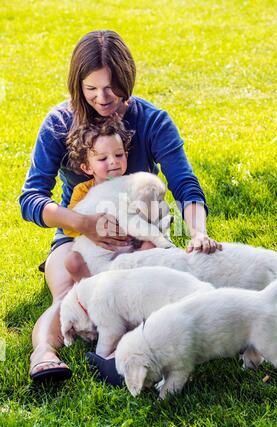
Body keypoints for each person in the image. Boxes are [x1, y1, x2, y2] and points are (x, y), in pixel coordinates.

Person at [19, 30, 222, 383]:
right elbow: (31, 199)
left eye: (111, 88)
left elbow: (186, 187)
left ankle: (138, 356)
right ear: (77, 85)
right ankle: (45, 354)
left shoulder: (152, 121)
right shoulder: (59, 124)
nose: (102, 98)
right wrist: (83, 223)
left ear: (126, 78)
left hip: (138, 238)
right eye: (91, 89)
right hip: (78, 238)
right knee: (71, 296)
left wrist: (198, 232)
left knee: (154, 294)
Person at [62, 114, 144, 283]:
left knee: (149, 247)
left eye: (119, 155)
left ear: (126, 155)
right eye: (102, 158)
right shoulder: (83, 191)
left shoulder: (133, 185)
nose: (113, 162)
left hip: (129, 248)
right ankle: (87, 289)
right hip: (97, 251)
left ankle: (137, 283)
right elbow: (69, 227)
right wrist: (90, 224)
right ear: (87, 167)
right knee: (72, 261)